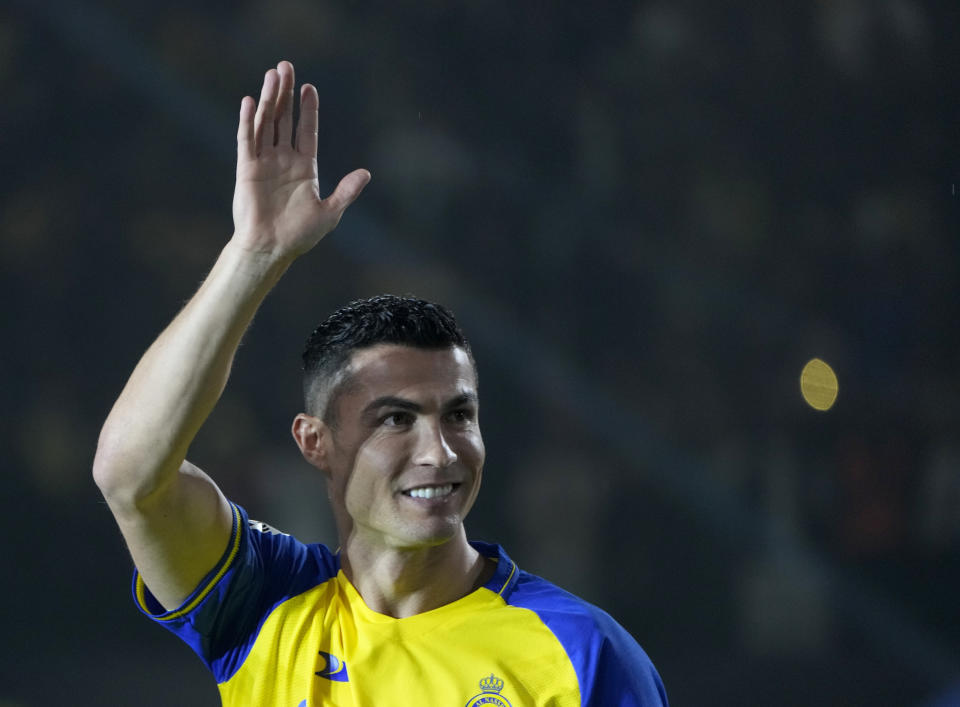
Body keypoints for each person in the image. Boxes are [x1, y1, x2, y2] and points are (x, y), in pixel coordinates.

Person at [94, 60, 668, 707]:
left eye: (458, 414)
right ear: (317, 442)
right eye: (396, 419)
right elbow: (131, 477)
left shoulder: (584, 653)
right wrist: (252, 256)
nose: (440, 451)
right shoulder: (264, 603)